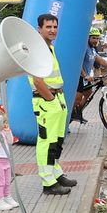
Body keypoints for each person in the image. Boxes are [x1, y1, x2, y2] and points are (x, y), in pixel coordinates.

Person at [30, 13, 76, 196]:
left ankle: (56, 173)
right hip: (46, 101)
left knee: (57, 141)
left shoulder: (49, 47)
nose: (53, 30)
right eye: (48, 27)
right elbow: (37, 80)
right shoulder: (37, 49)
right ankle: (48, 182)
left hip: (56, 99)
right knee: (47, 142)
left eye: (55, 26)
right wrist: (49, 98)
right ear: (39, 29)